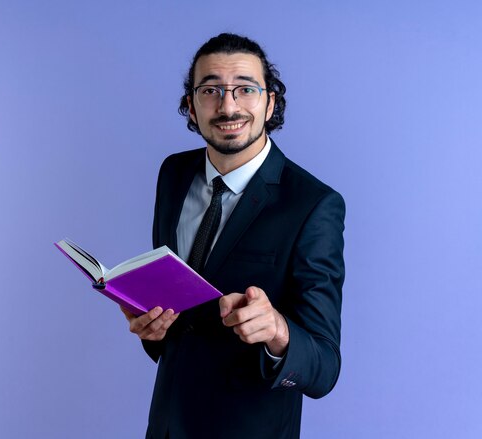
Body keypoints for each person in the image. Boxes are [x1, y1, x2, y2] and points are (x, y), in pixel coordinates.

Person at [120, 33, 345, 439]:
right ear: (190, 104)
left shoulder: (314, 205)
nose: (228, 106)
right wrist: (153, 328)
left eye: (245, 88)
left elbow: (324, 368)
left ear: (270, 102)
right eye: (211, 90)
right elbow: (180, 322)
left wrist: (279, 330)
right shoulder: (173, 174)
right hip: (167, 427)